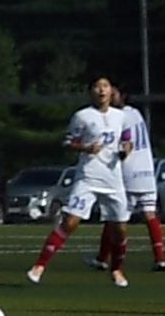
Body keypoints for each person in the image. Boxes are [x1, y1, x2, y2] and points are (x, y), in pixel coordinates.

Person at [27, 74, 135, 288]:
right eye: (97, 86)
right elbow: (67, 142)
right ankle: (39, 266)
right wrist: (86, 148)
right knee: (70, 222)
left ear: (111, 90)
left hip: (113, 180)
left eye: (105, 86)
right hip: (88, 177)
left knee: (120, 228)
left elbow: (127, 140)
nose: (102, 90)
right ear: (91, 92)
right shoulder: (82, 116)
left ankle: (117, 269)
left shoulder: (120, 116)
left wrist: (125, 150)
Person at [116, 91, 165, 270]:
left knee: (117, 218)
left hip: (129, 172)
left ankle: (107, 259)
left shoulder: (119, 116)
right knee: (150, 214)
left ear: (123, 96)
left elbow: (124, 145)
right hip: (146, 172)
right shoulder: (136, 113)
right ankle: (160, 259)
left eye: (113, 92)